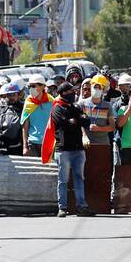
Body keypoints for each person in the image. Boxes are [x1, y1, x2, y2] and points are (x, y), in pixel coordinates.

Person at [47, 81, 93, 217]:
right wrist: (74, 121)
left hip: (78, 149)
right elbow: (63, 124)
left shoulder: (75, 107)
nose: (74, 93)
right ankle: (62, 208)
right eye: (70, 91)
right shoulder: (57, 108)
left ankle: (81, 206)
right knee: (63, 180)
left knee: (79, 178)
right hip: (63, 150)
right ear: (63, 93)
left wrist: (75, 121)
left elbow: (86, 121)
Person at [78, 74, 115, 147]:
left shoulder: (108, 106)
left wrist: (98, 128)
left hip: (102, 144)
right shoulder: (82, 104)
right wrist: (84, 136)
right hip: (85, 144)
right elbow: (78, 123)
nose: (96, 89)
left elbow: (112, 127)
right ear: (91, 87)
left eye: (99, 87)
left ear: (103, 90)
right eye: (95, 87)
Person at [21, 74, 54, 157]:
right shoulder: (28, 102)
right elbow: (25, 126)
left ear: (42, 86)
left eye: (33, 86)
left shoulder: (51, 101)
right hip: (32, 143)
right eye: (29, 86)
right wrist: (25, 147)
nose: (31, 89)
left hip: (48, 143)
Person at [0, 82, 25, 155]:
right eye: (9, 95)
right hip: (2, 146)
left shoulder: (23, 108)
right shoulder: (0, 109)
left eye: (13, 94)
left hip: (18, 147)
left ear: (18, 95)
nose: (11, 97)